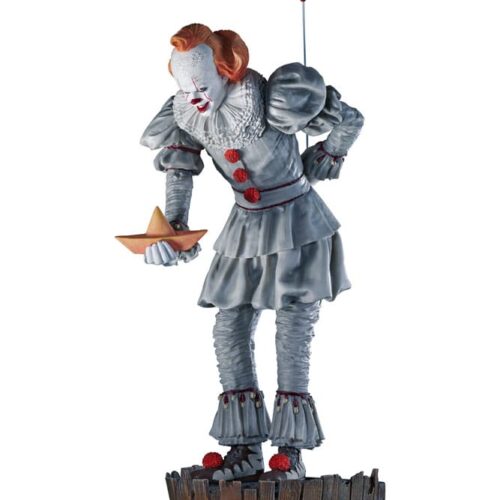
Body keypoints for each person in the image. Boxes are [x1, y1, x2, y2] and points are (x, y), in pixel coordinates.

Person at [140, 23, 364, 481]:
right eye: (185, 87)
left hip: (298, 223)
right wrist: (175, 229)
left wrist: (329, 153)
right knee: (230, 329)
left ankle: (290, 452)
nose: (194, 97)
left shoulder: (273, 97)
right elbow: (180, 171)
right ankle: (245, 448)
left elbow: (350, 119)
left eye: (202, 85)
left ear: (229, 69)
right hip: (244, 228)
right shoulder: (187, 112)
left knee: (292, 334)